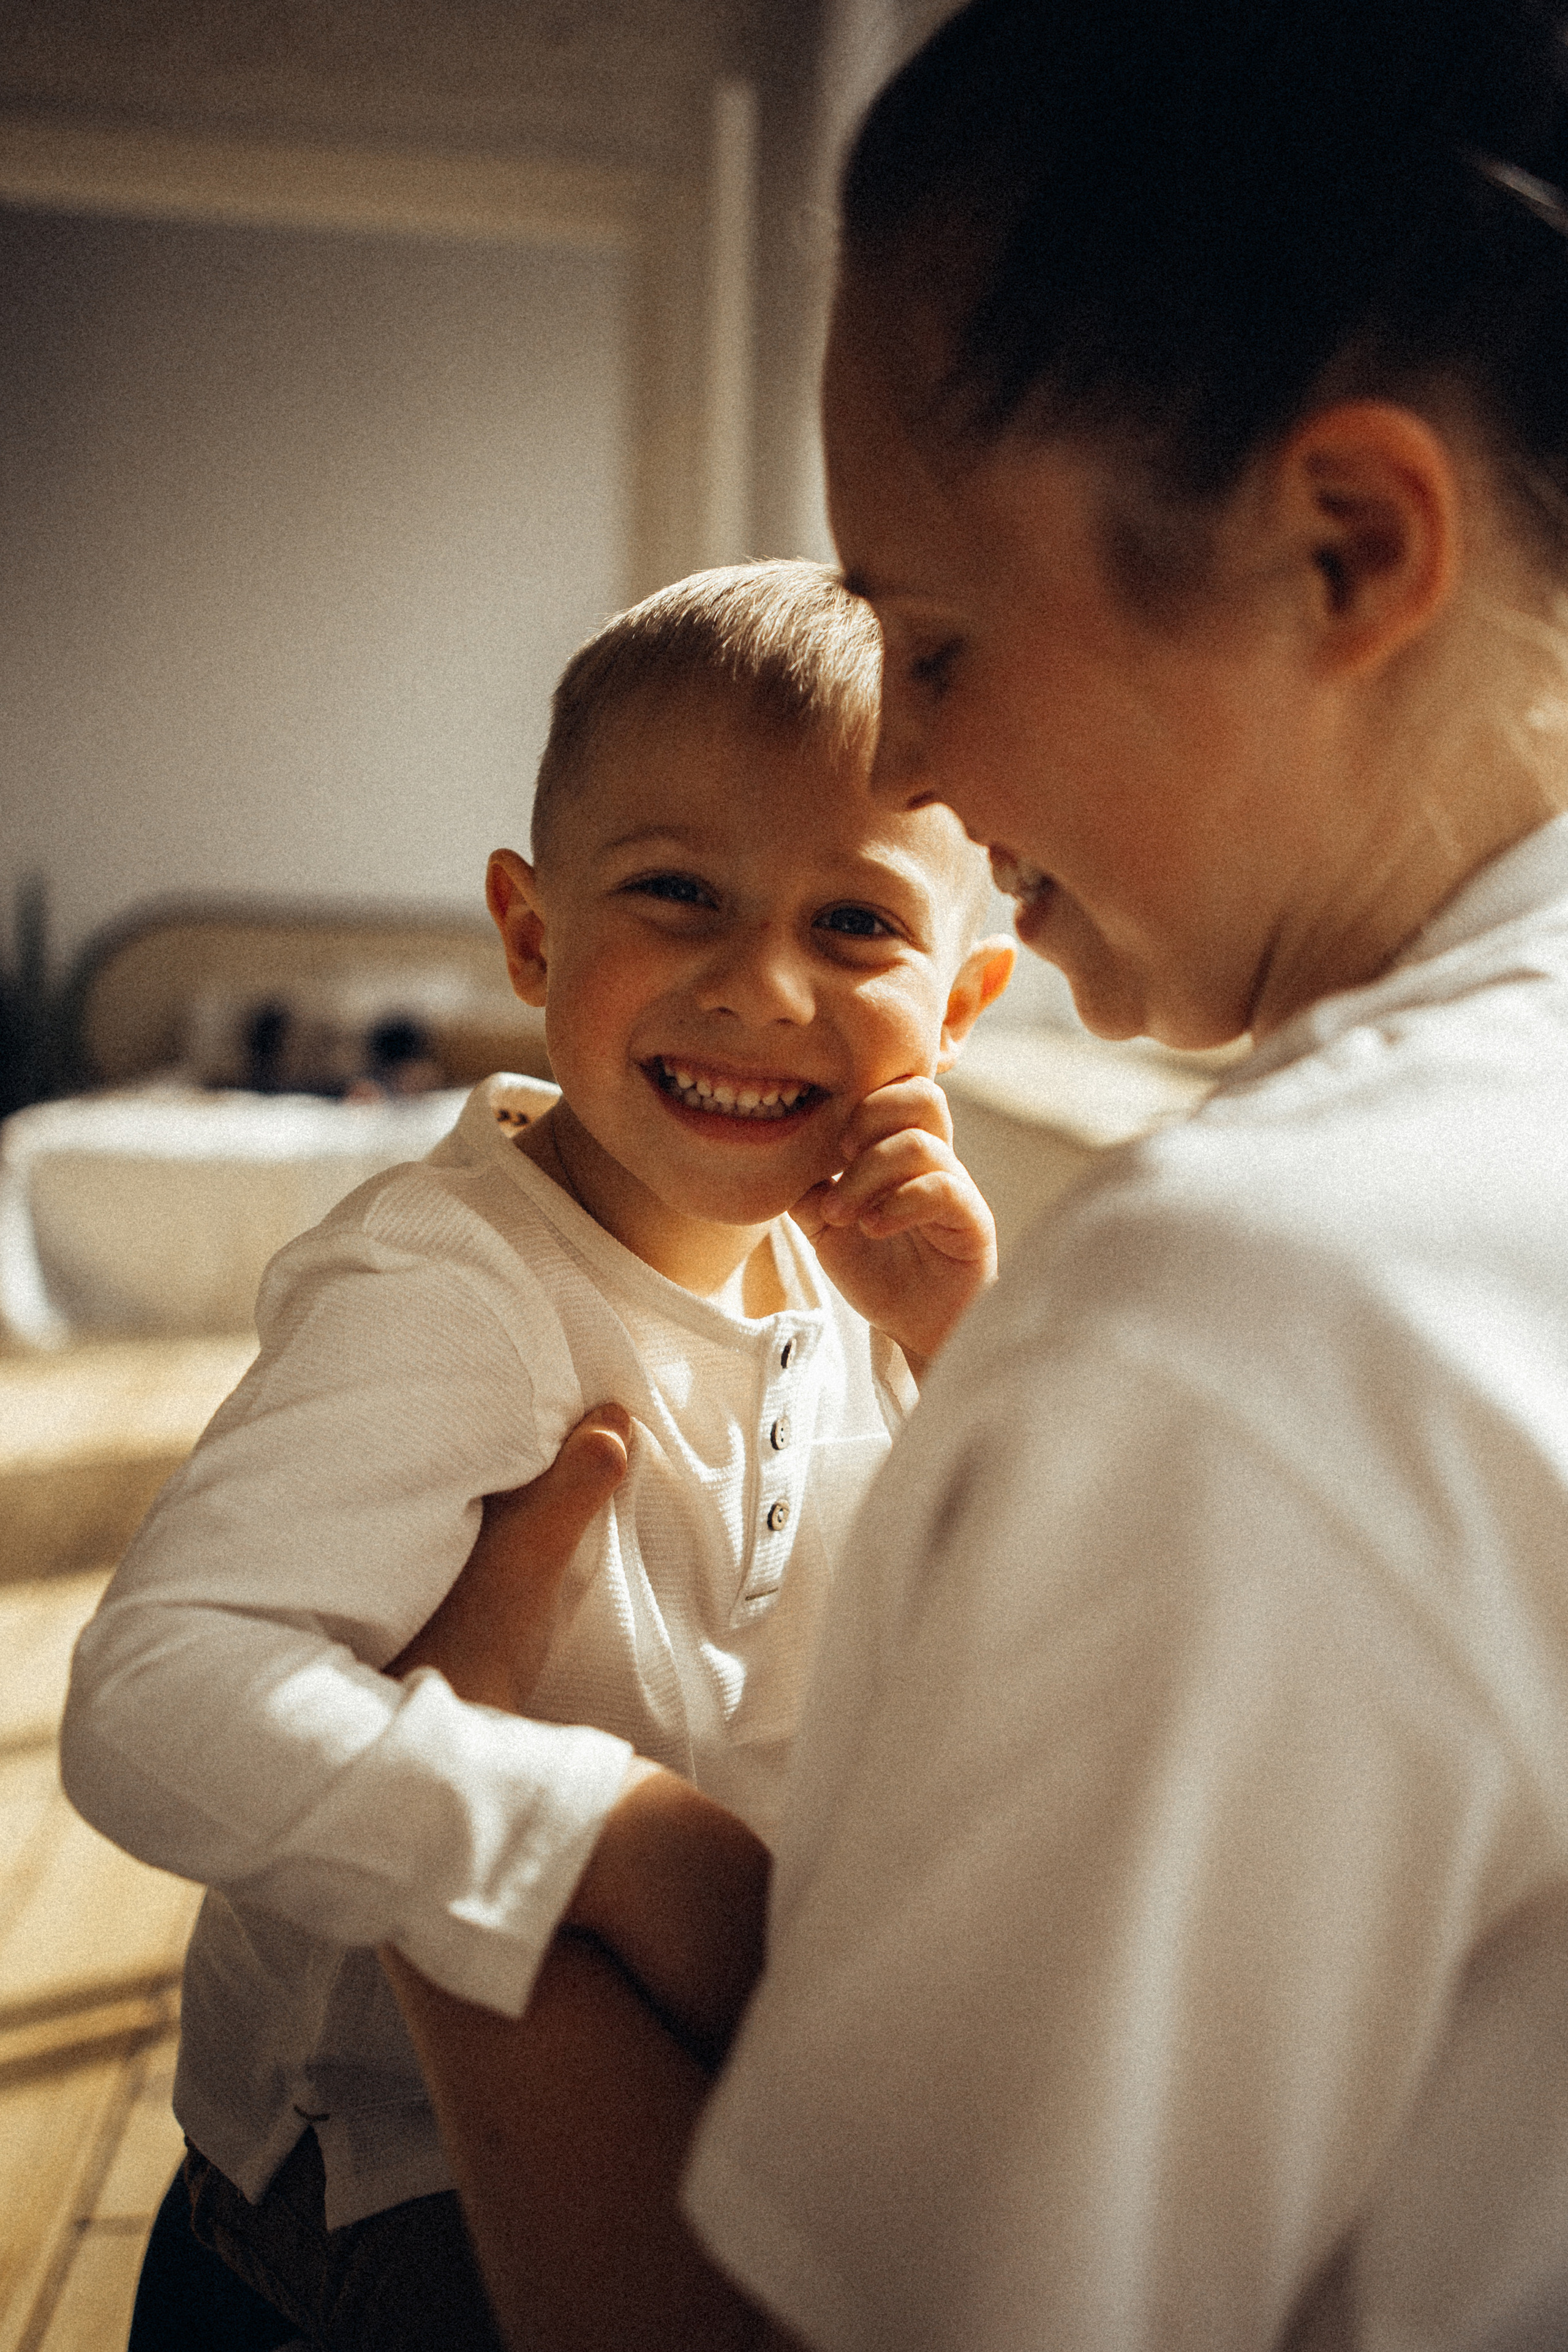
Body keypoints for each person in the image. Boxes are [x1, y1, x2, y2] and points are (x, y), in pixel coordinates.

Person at [381, 2, 1568, 2346]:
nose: (905, 768)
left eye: (933, 640)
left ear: (1344, 547)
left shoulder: (1248, 1328)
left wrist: (462, 1820)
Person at [61, 559, 1013, 2351]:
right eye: (678, 893)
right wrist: (596, 1836)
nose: (759, 986)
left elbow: (994, 1638)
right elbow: (150, 1695)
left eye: (860, 927)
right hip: (374, 2198)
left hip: (701, 2106)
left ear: (964, 1005)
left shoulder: (851, 1278)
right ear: (530, 934)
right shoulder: (449, 1285)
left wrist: (961, 1347)